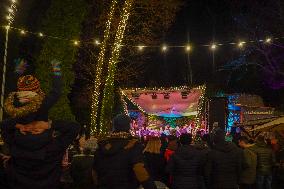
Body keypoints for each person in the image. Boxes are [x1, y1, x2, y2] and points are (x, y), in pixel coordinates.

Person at [1, 60, 80, 189]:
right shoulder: (54, 146)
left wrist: (19, 125)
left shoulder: (14, 143)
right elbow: (56, 93)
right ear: (38, 92)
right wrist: (56, 69)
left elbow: (4, 125)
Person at [92, 114, 157, 189]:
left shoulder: (103, 145)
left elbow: (94, 171)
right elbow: (140, 170)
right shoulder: (133, 145)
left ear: (114, 126)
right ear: (129, 126)